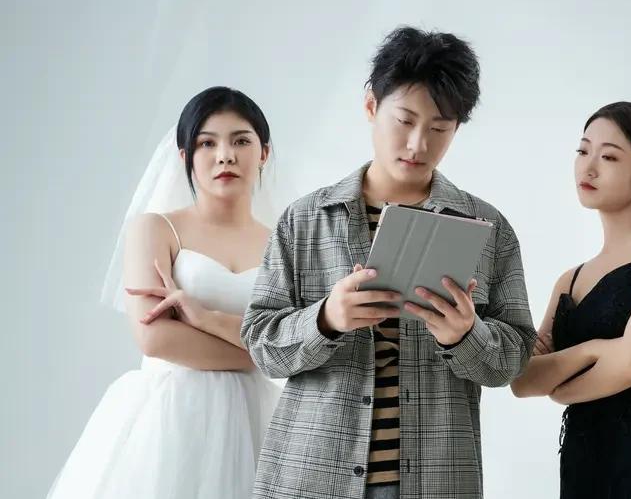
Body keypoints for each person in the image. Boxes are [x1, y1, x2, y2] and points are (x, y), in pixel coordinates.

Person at [241, 26, 536, 499]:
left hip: (436, 481)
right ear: (371, 107)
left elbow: (514, 357)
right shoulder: (305, 219)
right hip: (313, 479)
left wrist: (466, 335)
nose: (418, 144)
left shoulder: (487, 228)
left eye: (439, 129)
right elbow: (260, 343)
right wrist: (326, 319)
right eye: (404, 120)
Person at [47, 86, 283, 499]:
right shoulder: (155, 229)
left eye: (240, 141)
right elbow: (155, 338)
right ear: (185, 156)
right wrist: (266, 356)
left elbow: (296, 338)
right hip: (172, 416)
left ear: (263, 152)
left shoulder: (284, 244)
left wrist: (208, 323)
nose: (224, 155)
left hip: (258, 418)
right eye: (206, 143)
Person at [511, 101, 631, 498]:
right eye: (583, 151)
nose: (588, 168)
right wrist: (598, 350)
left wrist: (561, 389)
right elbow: (522, 380)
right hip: (585, 468)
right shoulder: (569, 281)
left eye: (609, 157)